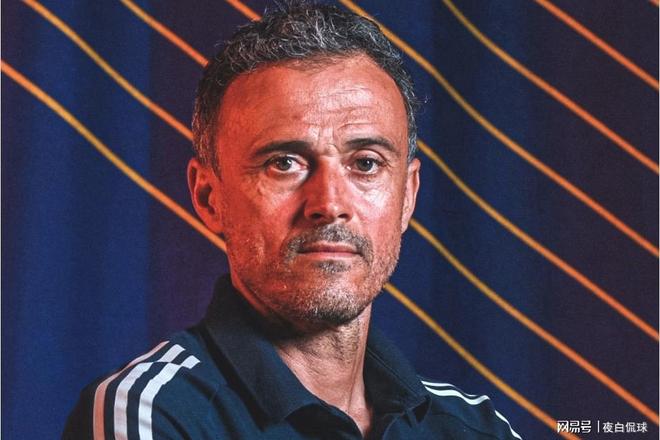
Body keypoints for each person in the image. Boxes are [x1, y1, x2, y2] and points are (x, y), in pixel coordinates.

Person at [64, 2, 521, 439]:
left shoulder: (478, 427)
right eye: (284, 163)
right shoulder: (151, 412)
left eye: (365, 163)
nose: (330, 204)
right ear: (209, 197)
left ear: (407, 196)